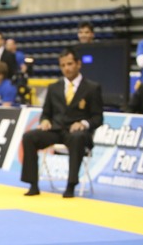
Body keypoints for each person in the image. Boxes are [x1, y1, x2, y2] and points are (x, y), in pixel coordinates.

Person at [21, 47, 103, 198]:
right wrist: (45, 121)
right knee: (29, 137)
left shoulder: (92, 88)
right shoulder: (54, 87)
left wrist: (84, 123)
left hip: (77, 133)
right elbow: (46, 113)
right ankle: (33, 184)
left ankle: (71, 185)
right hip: (56, 130)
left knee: (77, 138)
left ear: (78, 64)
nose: (66, 68)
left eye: (70, 64)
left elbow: (98, 118)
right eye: (63, 65)